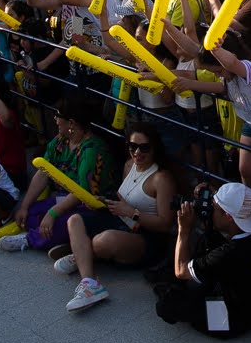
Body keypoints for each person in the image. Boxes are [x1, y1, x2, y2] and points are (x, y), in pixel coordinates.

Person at [57, 122, 178, 312]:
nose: (137, 152)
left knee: (102, 241)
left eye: (143, 147)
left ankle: (82, 253)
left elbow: (165, 224)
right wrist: (103, 202)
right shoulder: (129, 165)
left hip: (147, 236)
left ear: (155, 148)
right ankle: (89, 283)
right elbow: (123, 198)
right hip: (122, 222)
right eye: (132, 146)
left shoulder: (161, 178)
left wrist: (132, 212)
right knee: (74, 220)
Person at [157, 182, 251, 338]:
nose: (210, 211)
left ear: (229, 216)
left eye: (214, 209)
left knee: (166, 307)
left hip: (235, 322)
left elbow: (180, 271)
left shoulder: (229, 252)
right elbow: (234, 208)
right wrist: (215, 195)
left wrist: (184, 230)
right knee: (208, 242)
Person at [0, 98, 115, 255]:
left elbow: (81, 192)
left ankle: (31, 239)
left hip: (89, 205)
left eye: (58, 116)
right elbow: (43, 173)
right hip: (63, 198)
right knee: (30, 213)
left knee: (60, 224)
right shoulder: (60, 141)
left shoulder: (91, 151)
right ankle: (65, 242)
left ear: (71, 123)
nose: (55, 119)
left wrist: (53, 213)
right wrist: (24, 206)